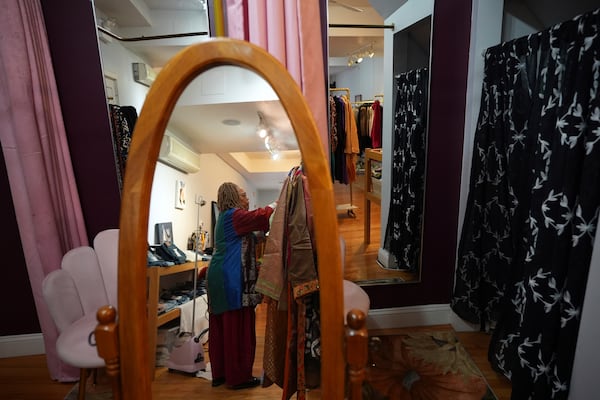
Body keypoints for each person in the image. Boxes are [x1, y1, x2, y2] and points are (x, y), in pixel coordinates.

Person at [206, 182, 276, 390]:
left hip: (218, 275)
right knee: (237, 325)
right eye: (243, 195)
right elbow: (261, 216)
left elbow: (251, 235)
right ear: (234, 198)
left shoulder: (225, 219)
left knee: (220, 325)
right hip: (231, 276)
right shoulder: (234, 215)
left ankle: (220, 374)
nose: (247, 199)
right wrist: (278, 202)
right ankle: (238, 378)